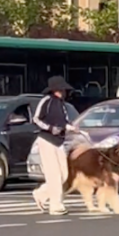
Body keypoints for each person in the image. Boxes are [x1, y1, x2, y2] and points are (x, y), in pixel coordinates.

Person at [32, 76, 78, 215]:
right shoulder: (46, 101)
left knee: (64, 174)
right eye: (60, 89)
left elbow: (63, 122)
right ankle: (56, 205)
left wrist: (70, 128)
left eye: (63, 89)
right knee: (54, 175)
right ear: (53, 90)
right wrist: (50, 128)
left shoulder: (62, 104)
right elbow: (36, 119)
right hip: (46, 140)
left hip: (59, 141)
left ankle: (41, 194)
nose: (62, 92)